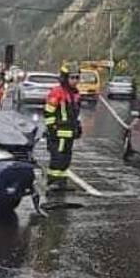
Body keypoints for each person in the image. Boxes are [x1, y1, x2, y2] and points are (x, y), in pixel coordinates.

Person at [44, 62, 83, 191]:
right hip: (58, 133)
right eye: (72, 78)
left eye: (77, 77)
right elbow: (49, 112)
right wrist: (52, 128)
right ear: (65, 78)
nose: (75, 81)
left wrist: (78, 126)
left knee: (66, 159)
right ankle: (53, 182)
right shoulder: (57, 92)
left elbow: (75, 114)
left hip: (69, 133)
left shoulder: (75, 93)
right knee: (57, 159)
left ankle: (62, 183)